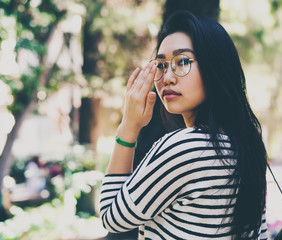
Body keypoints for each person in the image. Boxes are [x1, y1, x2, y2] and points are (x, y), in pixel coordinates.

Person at [99, 11, 268, 240]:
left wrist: (128, 127)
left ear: (214, 67)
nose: (167, 76)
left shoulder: (184, 147)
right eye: (161, 64)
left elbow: (111, 218)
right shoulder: (247, 143)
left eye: (183, 61)